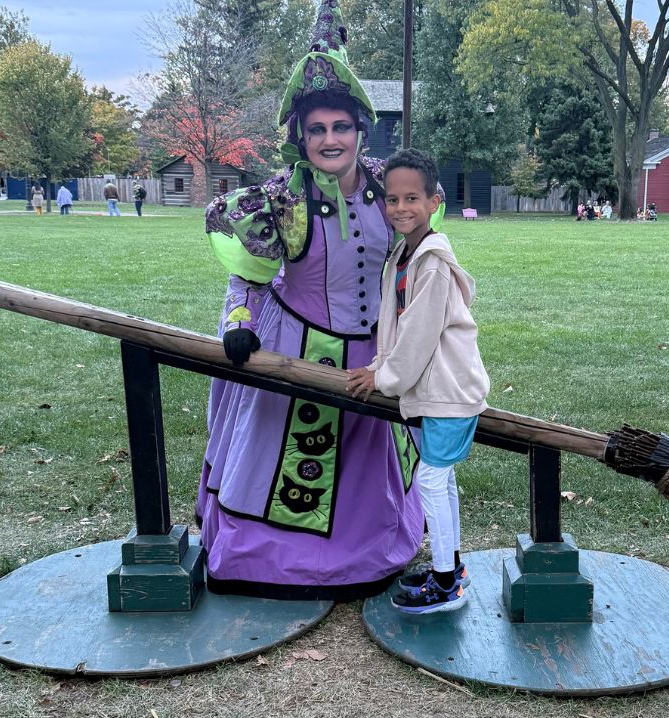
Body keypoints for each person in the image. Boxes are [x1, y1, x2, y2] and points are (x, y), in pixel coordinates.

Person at [196, 0, 425, 600]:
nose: (330, 139)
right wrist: (239, 323)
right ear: (300, 136)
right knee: (291, 464)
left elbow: (419, 262)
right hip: (293, 348)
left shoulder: (388, 189)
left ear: (359, 131)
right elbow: (246, 279)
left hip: (372, 357)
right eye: (317, 129)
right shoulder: (280, 199)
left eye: (341, 127)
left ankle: (367, 551)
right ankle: (270, 558)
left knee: (361, 473)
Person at [346, 148, 488, 614]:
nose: (400, 208)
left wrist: (383, 378)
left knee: (430, 480)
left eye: (412, 198)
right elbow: (394, 326)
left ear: (434, 201)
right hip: (429, 393)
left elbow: (420, 338)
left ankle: (447, 584)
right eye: (391, 199)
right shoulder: (402, 257)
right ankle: (454, 566)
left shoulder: (431, 265)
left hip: (450, 393)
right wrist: (380, 365)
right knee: (439, 481)